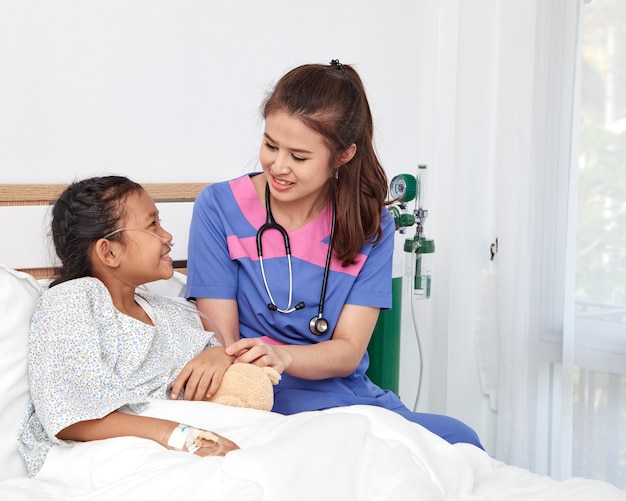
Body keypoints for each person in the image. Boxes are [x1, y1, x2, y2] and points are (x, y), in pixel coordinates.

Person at [185, 60, 483, 449]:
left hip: (342, 395)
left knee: (460, 440)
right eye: (270, 145)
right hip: (256, 392)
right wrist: (261, 365)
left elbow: (347, 351)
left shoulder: (369, 223)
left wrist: (284, 356)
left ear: (342, 156)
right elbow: (221, 339)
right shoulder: (219, 207)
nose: (278, 166)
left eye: (299, 156)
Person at [17, 176, 239, 478]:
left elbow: (211, 352)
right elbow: (72, 416)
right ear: (109, 252)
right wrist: (178, 436)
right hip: (98, 452)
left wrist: (219, 355)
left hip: (174, 436)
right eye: (152, 226)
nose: (167, 235)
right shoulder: (70, 301)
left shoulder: (166, 311)